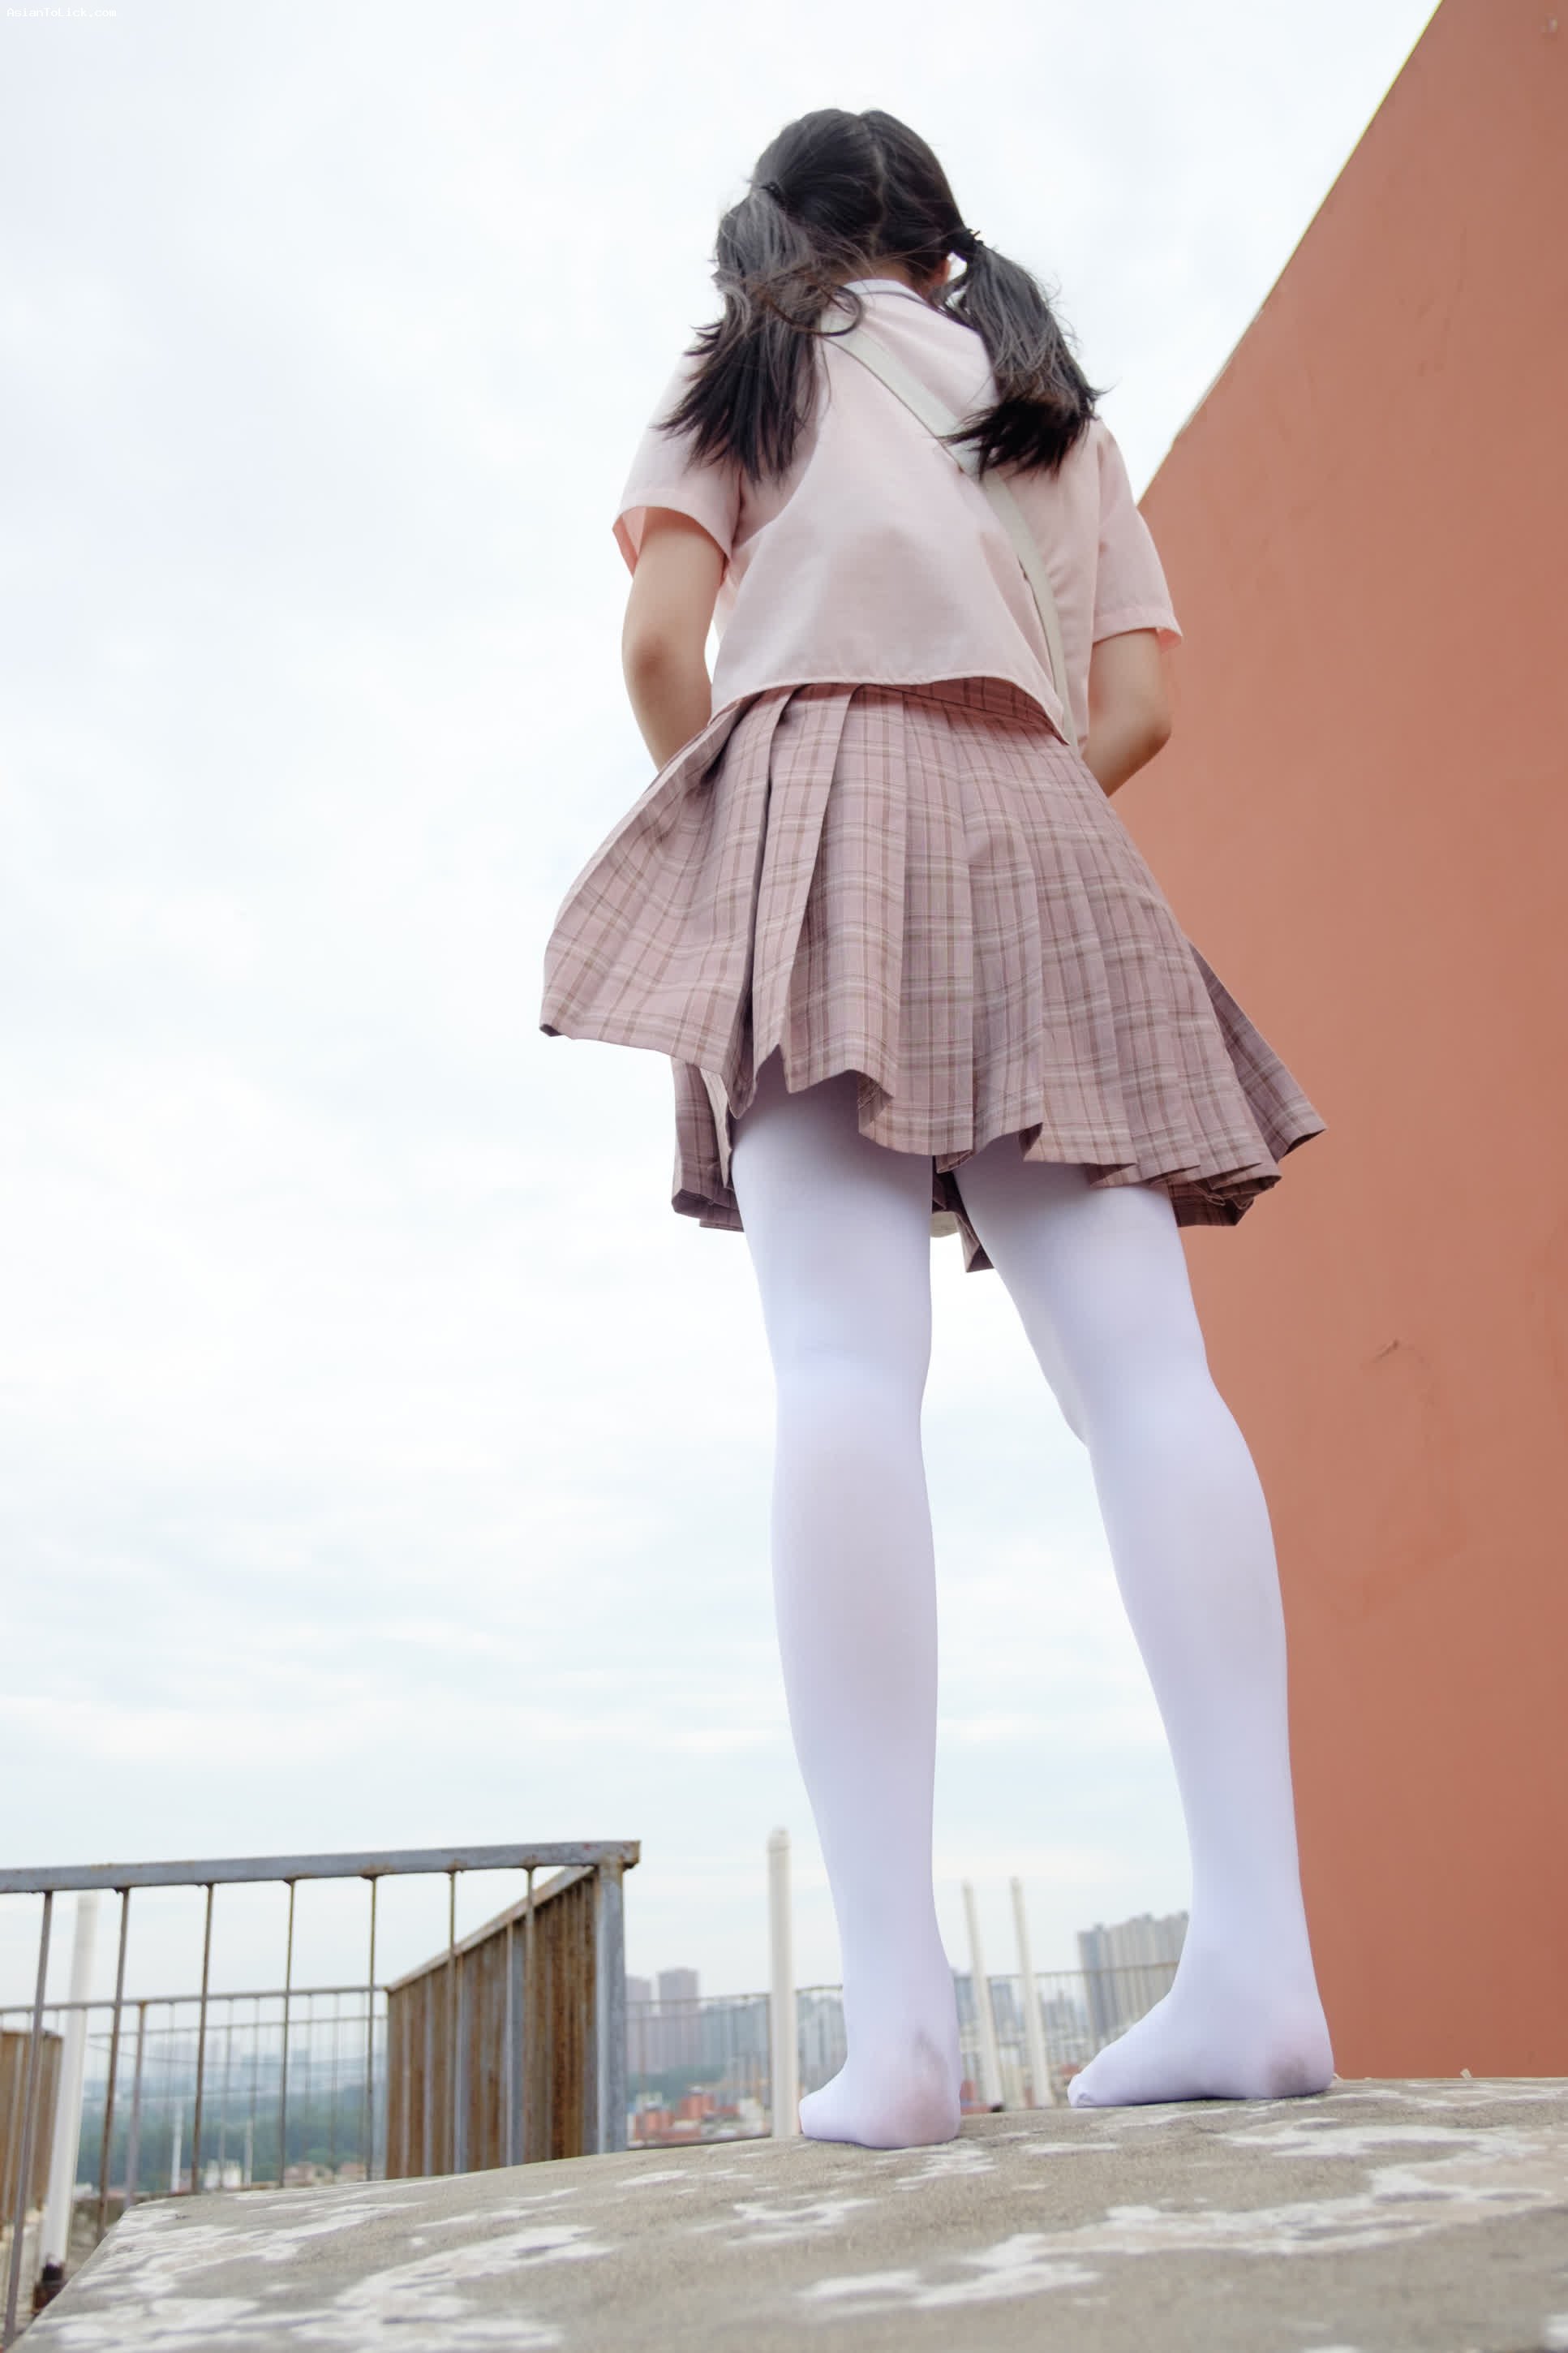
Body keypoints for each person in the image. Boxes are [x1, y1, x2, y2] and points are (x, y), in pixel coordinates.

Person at [539, 107, 1334, 2150]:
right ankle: (1263, 1965)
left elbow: (660, 644)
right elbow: (1136, 704)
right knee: (1148, 1378)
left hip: (813, 780)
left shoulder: (753, 358)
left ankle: (899, 2027)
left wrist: (770, 829)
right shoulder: (1046, 399)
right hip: (1046, 819)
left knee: (840, 1369)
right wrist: (997, 803)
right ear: (937, 240)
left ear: (784, 234)